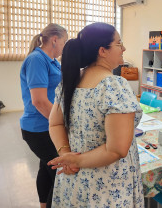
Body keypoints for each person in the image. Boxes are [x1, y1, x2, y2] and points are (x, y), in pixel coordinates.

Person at [47, 22, 144, 207]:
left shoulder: (70, 81)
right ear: (102, 51)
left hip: (73, 180)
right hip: (107, 187)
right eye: (118, 43)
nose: (123, 48)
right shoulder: (113, 86)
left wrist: (67, 156)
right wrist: (75, 160)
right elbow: (117, 149)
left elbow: (55, 124)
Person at [20, 23, 68, 208]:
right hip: (39, 128)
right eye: (64, 41)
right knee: (61, 174)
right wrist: (61, 124)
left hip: (46, 126)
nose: (65, 46)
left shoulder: (53, 61)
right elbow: (39, 101)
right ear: (55, 40)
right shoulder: (36, 60)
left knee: (46, 168)